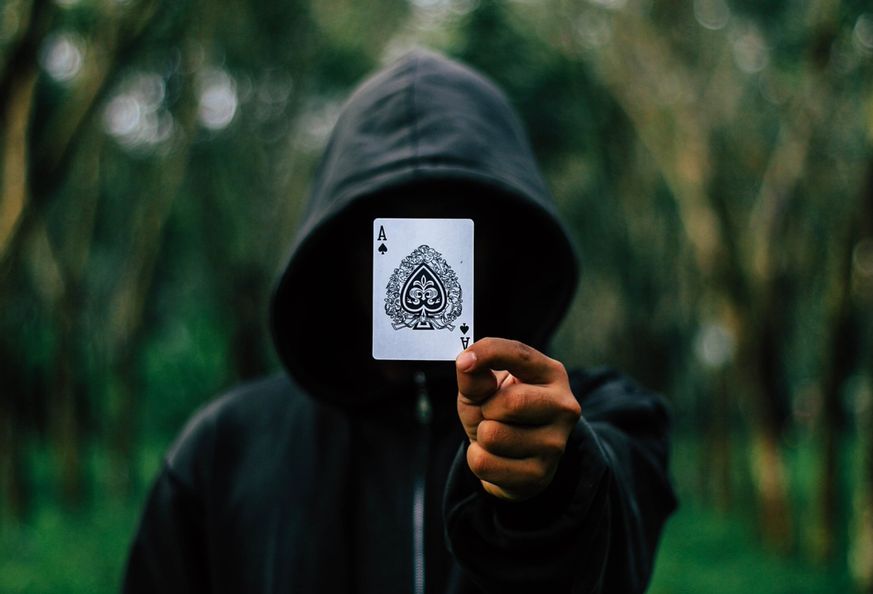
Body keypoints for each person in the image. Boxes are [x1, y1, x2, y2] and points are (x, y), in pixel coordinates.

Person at [123, 48, 677, 594]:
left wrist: (554, 485)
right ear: (335, 244)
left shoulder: (600, 417)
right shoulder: (222, 450)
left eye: (452, 221)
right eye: (389, 225)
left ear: (510, 243)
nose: (420, 249)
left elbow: (615, 534)